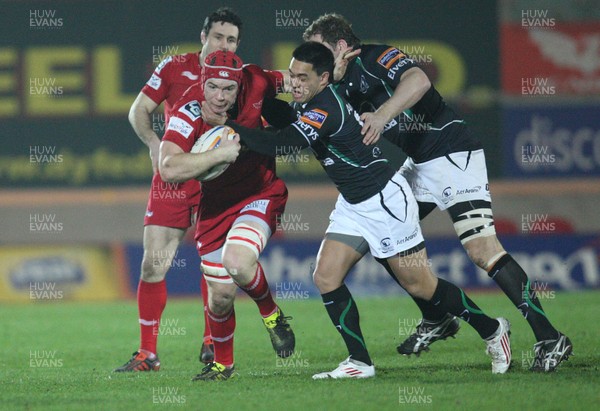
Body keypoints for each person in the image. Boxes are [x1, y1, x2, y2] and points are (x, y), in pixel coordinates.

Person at [202, 41, 512, 378]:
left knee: (422, 286)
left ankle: (492, 330)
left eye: (303, 78)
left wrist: (230, 129)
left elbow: (283, 142)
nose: (295, 84)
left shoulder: (325, 108)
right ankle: (360, 362)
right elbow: (283, 114)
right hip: (353, 203)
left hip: (384, 202)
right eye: (291, 75)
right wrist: (245, 106)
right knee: (326, 276)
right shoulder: (313, 102)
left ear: (323, 79)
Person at [303, 13, 572, 372]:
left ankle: (550, 337)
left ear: (340, 47)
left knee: (483, 251)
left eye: (320, 50)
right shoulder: (333, 86)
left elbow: (419, 81)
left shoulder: (375, 58)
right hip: (419, 164)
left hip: (453, 153)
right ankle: (437, 316)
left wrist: (382, 114)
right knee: (386, 236)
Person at [115, 7, 244, 372]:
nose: (223, 43)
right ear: (204, 37)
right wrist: (154, 143)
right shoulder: (174, 66)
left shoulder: (240, 76)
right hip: (175, 175)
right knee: (153, 265)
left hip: (217, 179)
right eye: (218, 36)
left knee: (214, 265)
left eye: (231, 39)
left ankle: (210, 342)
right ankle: (147, 353)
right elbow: (138, 111)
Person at [159, 50, 295, 381]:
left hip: (259, 194)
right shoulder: (189, 109)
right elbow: (168, 167)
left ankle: (271, 314)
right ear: (202, 82)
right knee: (219, 298)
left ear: (239, 85)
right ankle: (223, 364)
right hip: (215, 208)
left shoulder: (257, 80)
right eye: (213, 88)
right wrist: (219, 154)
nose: (220, 97)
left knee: (237, 261)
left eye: (228, 90)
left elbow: (296, 79)